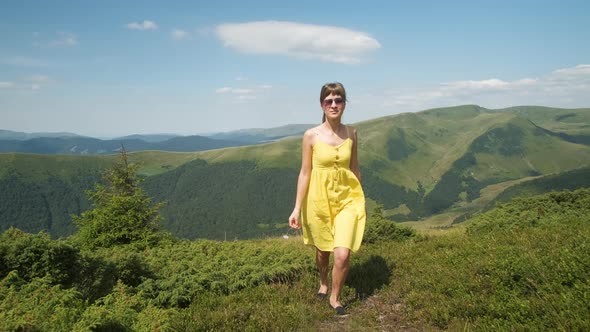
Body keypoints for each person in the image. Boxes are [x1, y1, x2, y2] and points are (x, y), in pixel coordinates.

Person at [288, 82, 366, 316]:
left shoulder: (352, 133)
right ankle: (323, 280)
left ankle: (335, 297)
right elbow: (305, 172)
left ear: (344, 103)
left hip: (347, 199)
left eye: (338, 100)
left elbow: (355, 168)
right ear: (322, 104)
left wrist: (361, 201)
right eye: (328, 101)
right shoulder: (310, 136)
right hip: (318, 200)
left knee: (342, 253)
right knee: (323, 251)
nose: (334, 105)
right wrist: (296, 208)